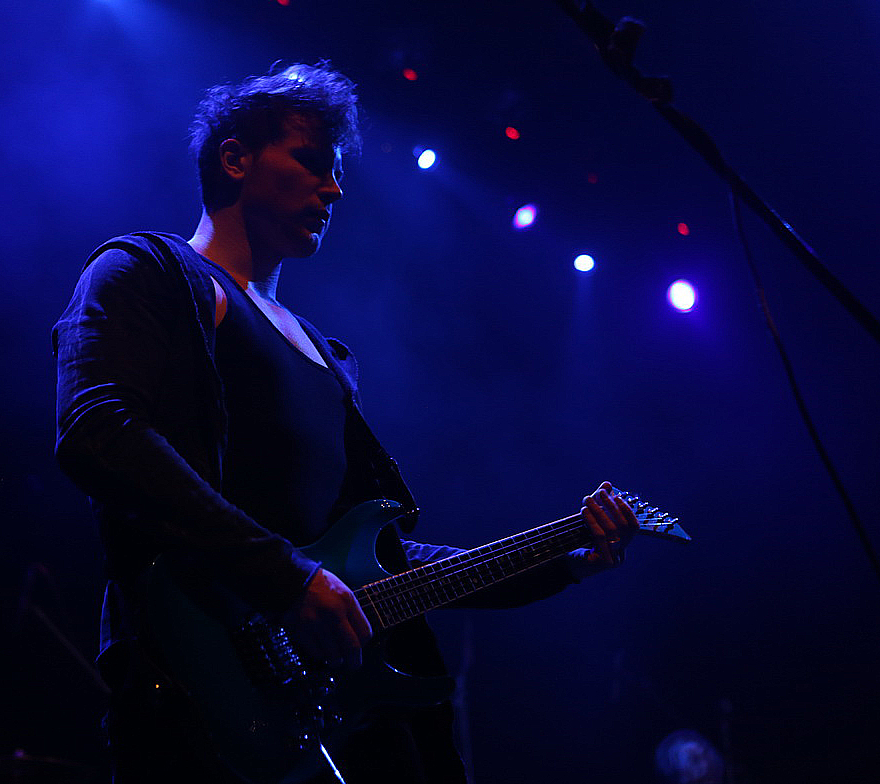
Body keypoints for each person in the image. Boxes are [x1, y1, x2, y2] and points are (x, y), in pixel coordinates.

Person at [53, 61, 638, 784]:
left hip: (324, 715)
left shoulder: (326, 356)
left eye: (337, 172)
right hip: (189, 679)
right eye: (310, 162)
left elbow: (378, 559)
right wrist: (285, 579)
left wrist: (564, 557)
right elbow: (99, 432)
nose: (334, 189)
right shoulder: (145, 272)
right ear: (235, 159)